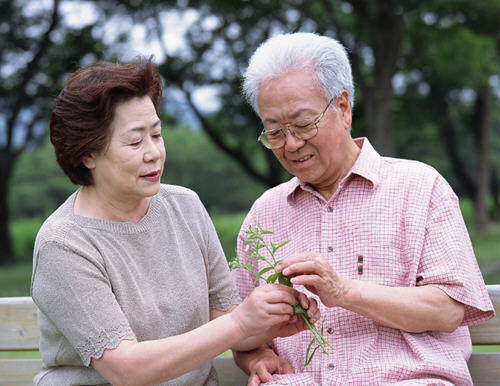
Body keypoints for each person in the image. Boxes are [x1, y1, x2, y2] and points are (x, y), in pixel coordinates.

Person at [30, 57, 320, 386]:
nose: (154, 152)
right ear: (87, 155)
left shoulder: (185, 206)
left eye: (157, 134)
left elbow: (224, 316)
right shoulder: (64, 245)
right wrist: (241, 324)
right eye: (135, 141)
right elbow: (127, 370)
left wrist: (264, 335)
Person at [232, 32, 495, 386]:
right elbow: (242, 332)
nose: (291, 144)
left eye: (303, 124)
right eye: (274, 132)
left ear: (342, 108)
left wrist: (343, 292)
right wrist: (257, 358)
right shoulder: (264, 215)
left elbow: (448, 310)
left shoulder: (419, 187)